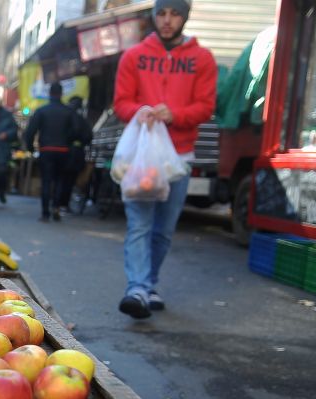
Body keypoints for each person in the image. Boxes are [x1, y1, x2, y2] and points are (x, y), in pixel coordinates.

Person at [113, 0, 217, 319]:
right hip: (141, 158)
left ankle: (148, 284)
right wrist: (139, 112)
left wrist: (175, 114)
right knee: (140, 225)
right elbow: (122, 103)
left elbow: (205, 106)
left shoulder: (202, 59)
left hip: (179, 159)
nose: (167, 20)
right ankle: (138, 288)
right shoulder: (134, 56)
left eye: (174, 13)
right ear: (154, 17)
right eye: (162, 13)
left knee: (164, 230)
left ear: (184, 17)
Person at [23, 82, 74, 221]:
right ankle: (56, 207)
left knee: (46, 181)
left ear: (49, 94)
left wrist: (30, 148)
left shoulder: (42, 111)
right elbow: (75, 131)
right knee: (59, 181)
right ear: (61, 94)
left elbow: (30, 131)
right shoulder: (68, 112)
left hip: (46, 150)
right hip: (63, 150)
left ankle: (45, 212)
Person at [60, 96, 93, 213]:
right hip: (77, 153)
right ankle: (64, 204)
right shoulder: (82, 119)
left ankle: (57, 204)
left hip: (64, 151)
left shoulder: (64, 116)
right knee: (70, 180)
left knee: (61, 179)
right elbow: (89, 136)